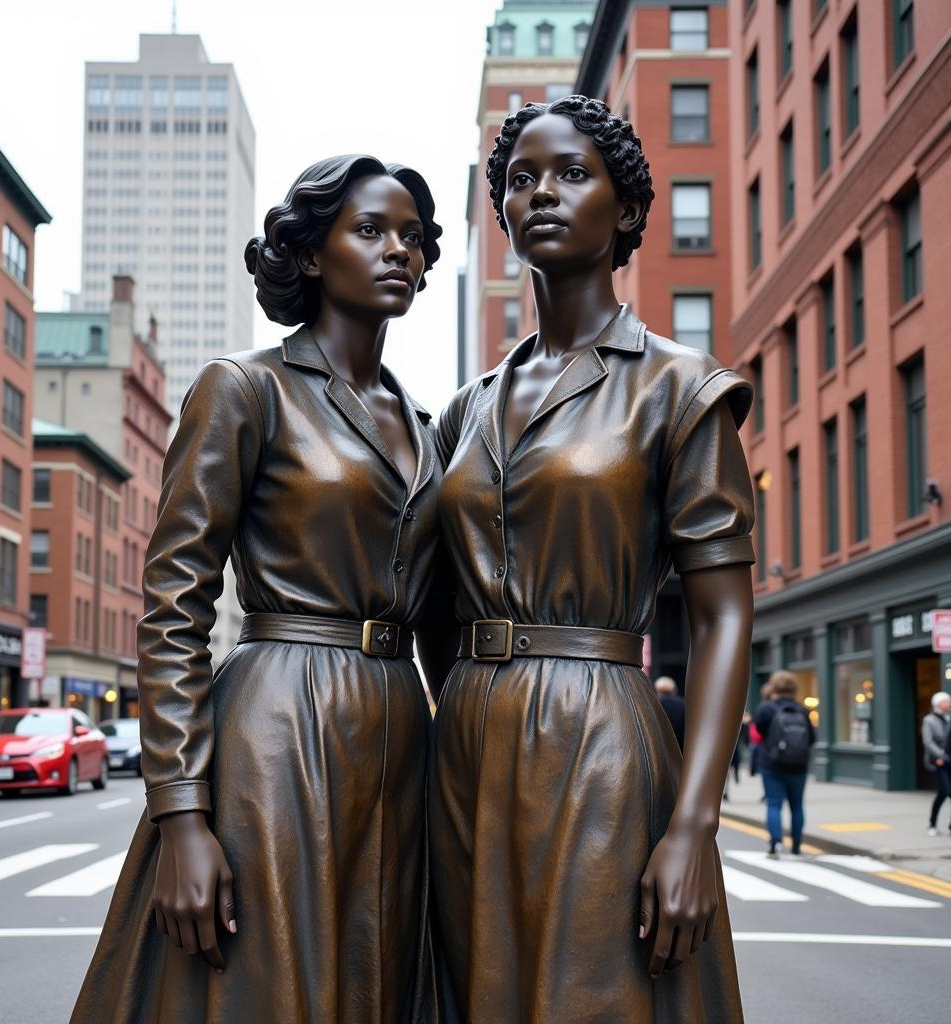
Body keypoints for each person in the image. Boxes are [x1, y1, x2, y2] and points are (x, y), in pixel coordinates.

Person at [71, 155, 443, 1024]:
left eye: (415, 239)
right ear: (311, 255)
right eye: (371, 231)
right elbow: (174, 609)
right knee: (268, 987)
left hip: (399, 734)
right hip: (278, 731)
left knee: (379, 982)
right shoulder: (246, 390)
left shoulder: (424, 424)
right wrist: (181, 817)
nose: (400, 251)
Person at [420, 95, 753, 1023]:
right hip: (467, 747)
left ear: (629, 210)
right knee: (471, 989)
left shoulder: (681, 388)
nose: (542, 194)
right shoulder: (467, 407)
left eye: (572, 173)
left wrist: (693, 824)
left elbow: (726, 615)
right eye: (521, 180)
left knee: (593, 993)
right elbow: (437, 603)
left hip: (600, 734)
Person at [754, 671, 814, 858]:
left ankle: (775, 844)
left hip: (772, 764)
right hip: (799, 765)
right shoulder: (802, 709)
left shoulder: (766, 708)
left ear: (773, 687)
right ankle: (796, 845)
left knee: (774, 804)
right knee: (797, 806)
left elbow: (759, 733)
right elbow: (812, 738)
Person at [922, 691, 951, 836]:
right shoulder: (929, 720)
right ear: (939, 704)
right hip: (938, 762)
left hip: (949, 760)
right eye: (947, 701)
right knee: (944, 791)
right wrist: (941, 755)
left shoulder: (949, 718)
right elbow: (928, 741)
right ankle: (932, 824)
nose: (949, 704)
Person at [654, 674, 685, 750]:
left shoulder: (652, 704)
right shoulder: (683, 705)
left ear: (657, 690)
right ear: (674, 690)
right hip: (679, 750)